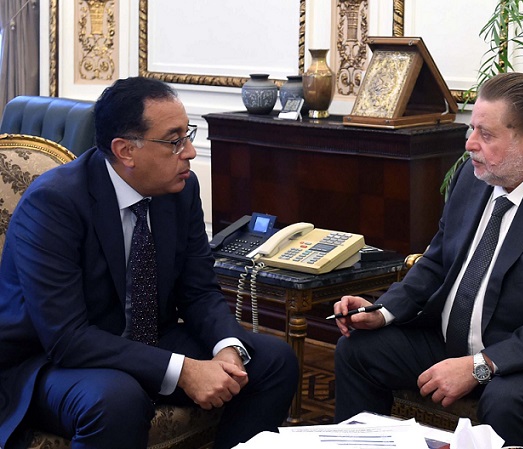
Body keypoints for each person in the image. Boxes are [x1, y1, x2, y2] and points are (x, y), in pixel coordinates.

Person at [332, 72, 523, 448]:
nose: (470, 143)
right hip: (457, 343)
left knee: (507, 400)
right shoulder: (474, 177)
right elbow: (438, 259)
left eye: (485, 135)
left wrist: (480, 366)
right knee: (358, 350)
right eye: (472, 129)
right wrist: (383, 311)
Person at [0, 77, 299, 449]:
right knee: (116, 399)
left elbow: (199, 292)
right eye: (175, 141)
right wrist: (183, 370)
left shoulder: (180, 189)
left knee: (273, 361)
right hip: (48, 361)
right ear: (126, 150)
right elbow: (67, 338)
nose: (190, 152)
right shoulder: (55, 202)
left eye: (188, 135)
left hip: (147, 339)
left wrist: (227, 348)